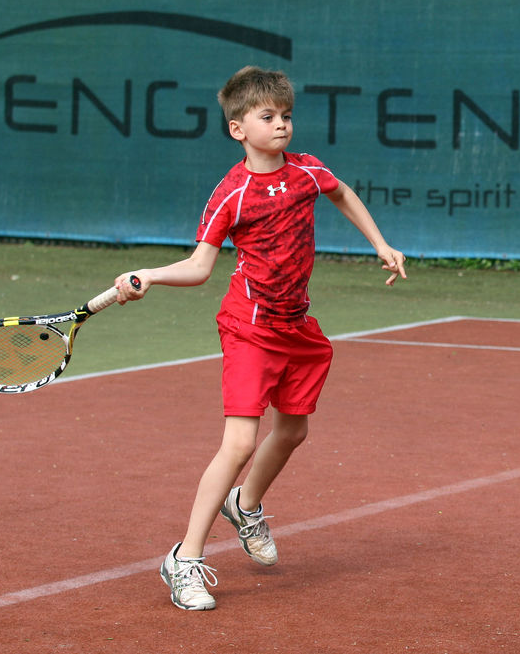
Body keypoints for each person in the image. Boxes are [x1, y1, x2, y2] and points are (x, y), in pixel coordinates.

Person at [113, 66, 407, 610]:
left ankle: (244, 505)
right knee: (241, 441)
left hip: (296, 324)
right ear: (238, 129)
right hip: (249, 327)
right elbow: (201, 266)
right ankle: (184, 559)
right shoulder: (232, 193)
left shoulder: (307, 172)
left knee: (293, 432)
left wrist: (380, 243)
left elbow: (341, 193)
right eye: (267, 117)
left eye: (286, 116)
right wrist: (150, 275)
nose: (281, 125)